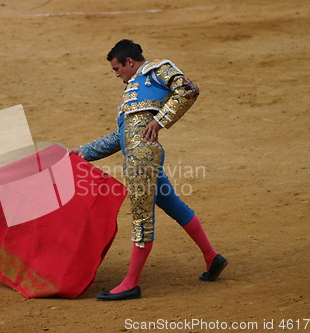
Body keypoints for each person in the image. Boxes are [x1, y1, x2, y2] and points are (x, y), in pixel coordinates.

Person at [70, 39, 227, 301]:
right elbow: (121, 137)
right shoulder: (132, 93)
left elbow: (188, 89)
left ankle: (131, 283)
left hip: (141, 160)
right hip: (140, 156)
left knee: (142, 217)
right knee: (174, 205)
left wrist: (160, 120)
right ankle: (212, 258)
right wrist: (84, 151)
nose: (117, 74)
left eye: (117, 69)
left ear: (129, 62)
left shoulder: (158, 70)